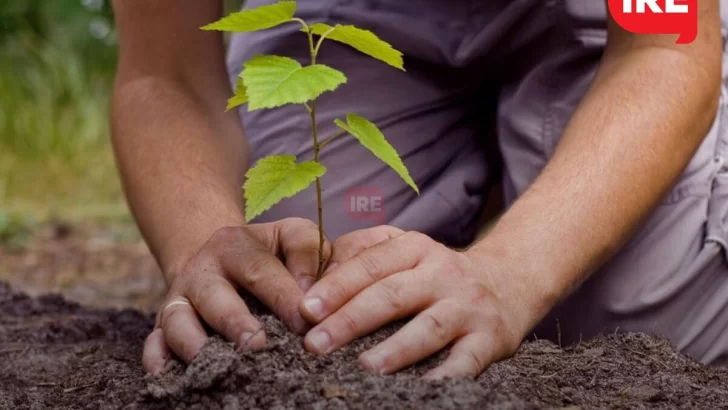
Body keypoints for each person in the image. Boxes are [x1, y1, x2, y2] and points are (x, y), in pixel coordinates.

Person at [111, 0, 727, 378]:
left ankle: (519, 183)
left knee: (645, 315)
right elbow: (164, 72)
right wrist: (203, 248)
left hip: (602, 14)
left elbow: (663, 49)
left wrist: (512, 272)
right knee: (306, 279)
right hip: (361, 10)